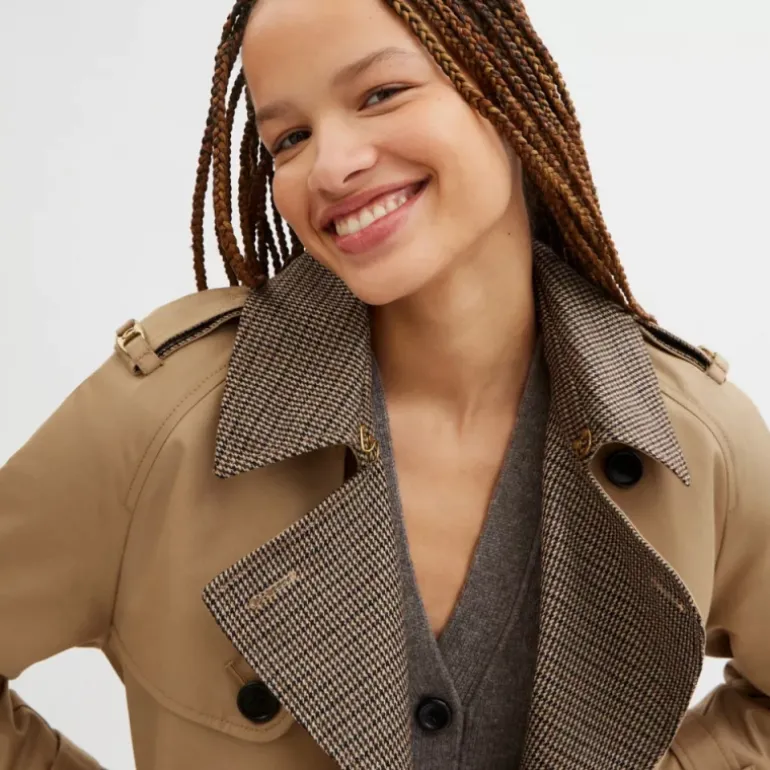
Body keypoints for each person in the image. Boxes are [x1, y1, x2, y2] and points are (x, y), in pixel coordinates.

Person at [1, 0, 768, 768]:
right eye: (290, 138)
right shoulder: (159, 425)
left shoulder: (696, 441)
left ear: (500, 87)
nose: (330, 167)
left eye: (380, 94)